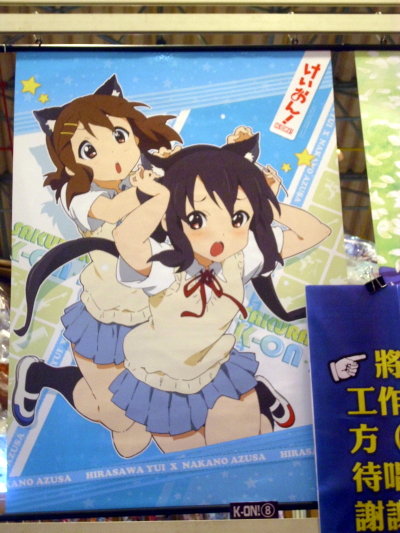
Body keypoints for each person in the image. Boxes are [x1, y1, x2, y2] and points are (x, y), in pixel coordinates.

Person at [108, 133, 331, 456]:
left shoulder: (244, 256)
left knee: (239, 449)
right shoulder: (163, 265)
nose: (221, 236)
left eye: (237, 218)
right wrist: (158, 197)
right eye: (197, 219)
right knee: (195, 460)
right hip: (160, 378)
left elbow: (316, 231)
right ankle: (262, 398)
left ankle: (259, 399)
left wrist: (264, 201)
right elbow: (126, 238)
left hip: (216, 367)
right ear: (171, 218)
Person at [13, 75, 182, 443]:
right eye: (89, 150)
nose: (113, 157)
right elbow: (112, 211)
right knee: (118, 419)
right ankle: (41, 375)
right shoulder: (77, 196)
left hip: (158, 313)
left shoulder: (150, 176)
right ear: (70, 161)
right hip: (108, 315)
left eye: (119, 136)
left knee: (134, 440)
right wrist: (156, 186)